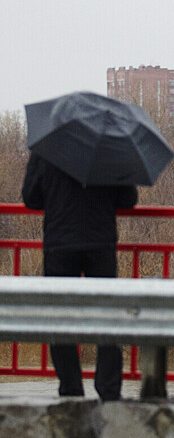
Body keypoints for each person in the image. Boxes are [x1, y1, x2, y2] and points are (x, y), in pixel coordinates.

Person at [21, 153, 138, 401]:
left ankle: (71, 389)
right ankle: (108, 389)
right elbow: (129, 199)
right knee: (108, 316)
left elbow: (31, 199)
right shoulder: (109, 151)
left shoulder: (46, 150)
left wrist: (57, 199)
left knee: (60, 318)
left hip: (60, 245)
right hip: (100, 244)